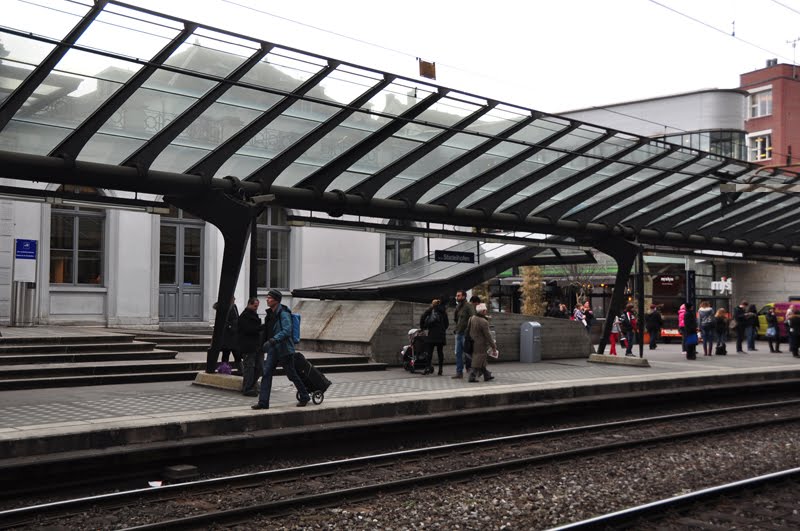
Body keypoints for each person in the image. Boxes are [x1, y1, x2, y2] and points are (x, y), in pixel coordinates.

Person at [252, 290, 310, 410]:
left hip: (284, 350)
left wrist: (273, 340)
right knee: (266, 374)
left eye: (269, 298)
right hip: (274, 349)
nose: (267, 300)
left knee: (292, 375)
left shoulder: (283, 313)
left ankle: (304, 395)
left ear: (276, 300)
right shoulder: (270, 314)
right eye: (267, 297)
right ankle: (263, 402)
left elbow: (287, 330)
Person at [238, 297, 263, 396]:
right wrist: (260, 328)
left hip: (256, 345)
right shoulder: (244, 316)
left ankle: (251, 385)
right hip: (248, 346)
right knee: (249, 367)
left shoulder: (253, 315)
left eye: (257, 306)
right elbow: (248, 330)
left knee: (259, 367)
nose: (256, 308)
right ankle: (247, 388)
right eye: (255, 306)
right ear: (249, 304)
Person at [467, 303, 497, 382]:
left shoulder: (472, 318)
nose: (486, 311)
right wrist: (493, 346)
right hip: (480, 343)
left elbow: (468, 330)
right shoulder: (483, 321)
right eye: (485, 310)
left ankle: (487, 375)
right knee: (477, 359)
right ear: (483, 311)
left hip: (472, 341)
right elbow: (488, 335)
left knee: (481, 359)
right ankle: (472, 376)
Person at [419, 299, 449, 376]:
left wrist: (423, 327)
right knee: (440, 352)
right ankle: (440, 369)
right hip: (441, 334)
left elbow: (422, 317)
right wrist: (442, 329)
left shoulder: (430, 310)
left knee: (429, 352)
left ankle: (427, 368)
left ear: (433, 304)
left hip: (432, 333)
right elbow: (447, 324)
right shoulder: (443, 312)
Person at [452, 290, 476, 379]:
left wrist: (468, 331)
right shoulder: (458, 307)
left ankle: (473, 371)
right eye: (456, 296)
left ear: (464, 296)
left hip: (465, 334)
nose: (457, 297)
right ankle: (459, 373)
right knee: (458, 354)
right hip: (458, 333)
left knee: (468, 354)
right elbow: (456, 319)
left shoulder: (468, 306)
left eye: (459, 296)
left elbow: (473, 318)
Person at [213, 296, 241, 373]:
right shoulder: (227, 307)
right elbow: (229, 320)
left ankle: (237, 370)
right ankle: (226, 370)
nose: (235, 299)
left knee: (233, 354)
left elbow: (236, 319)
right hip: (229, 335)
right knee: (230, 354)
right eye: (233, 298)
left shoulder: (233, 307)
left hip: (231, 335)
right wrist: (231, 327)